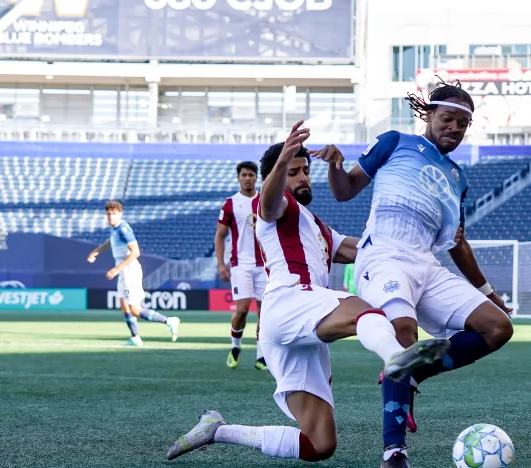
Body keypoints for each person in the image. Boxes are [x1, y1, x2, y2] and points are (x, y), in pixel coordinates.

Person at [166, 122, 450, 463]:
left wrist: (419, 246)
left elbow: (364, 249)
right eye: (293, 172)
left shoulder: (317, 227)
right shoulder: (277, 205)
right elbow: (267, 204)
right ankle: (397, 360)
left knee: (319, 444)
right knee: (366, 312)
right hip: (289, 300)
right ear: (278, 175)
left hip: (298, 329)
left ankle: (217, 430)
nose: (302, 177)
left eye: (305, 171)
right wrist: (282, 161)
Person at [311, 80, 514, 468]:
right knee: (404, 332)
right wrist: (336, 165)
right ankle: (394, 453)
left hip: (427, 265)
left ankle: (413, 371)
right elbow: (345, 191)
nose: (454, 128)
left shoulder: (458, 178)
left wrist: (488, 292)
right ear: (429, 114)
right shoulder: (394, 142)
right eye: (448, 118)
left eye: (462, 124)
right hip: (384, 255)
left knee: (498, 327)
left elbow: (457, 244)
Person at [87, 200, 180, 346]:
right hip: (123, 271)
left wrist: (117, 269)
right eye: (108, 214)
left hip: (129, 270)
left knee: (135, 309)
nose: (110, 217)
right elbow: (111, 242)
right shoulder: (115, 229)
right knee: (123, 303)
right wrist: (96, 251)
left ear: (120, 214)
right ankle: (135, 337)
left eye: (113, 214)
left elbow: (136, 252)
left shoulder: (123, 229)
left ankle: (169, 321)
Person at [215, 161, 268, 370]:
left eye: (251, 175)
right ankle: (235, 347)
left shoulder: (265, 200)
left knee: (265, 312)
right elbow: (220, 235)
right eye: (244, 175)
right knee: (243, 310)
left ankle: (261, 355)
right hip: (240, 264)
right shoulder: (230, 203)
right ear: (238, 178)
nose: (247, 178)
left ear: (256, 178)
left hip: (264, 265)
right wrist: (221, 264)